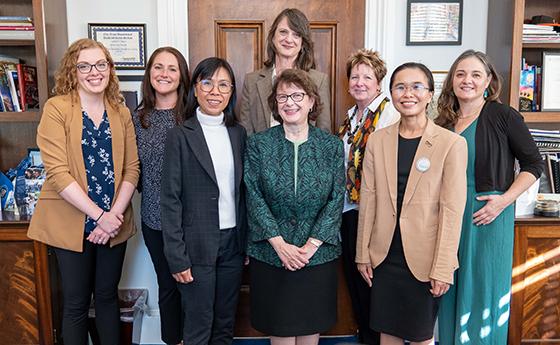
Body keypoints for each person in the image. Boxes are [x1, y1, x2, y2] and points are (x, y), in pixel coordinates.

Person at [27, 38, 139, 345]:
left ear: (109, 69)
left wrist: (112, 217)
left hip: (113, 222)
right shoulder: (57, 108)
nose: (94, 72)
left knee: (106, 298)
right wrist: (99, 216)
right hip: (72, 221)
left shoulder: (121, 112)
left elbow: (132, 168)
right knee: (76, 303)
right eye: (85, 65)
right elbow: (58, 173)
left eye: (101, 64)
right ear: (72, 71)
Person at [436, 50, 544, 345]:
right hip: (449, 217)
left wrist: (503, 201)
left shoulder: (503, 116)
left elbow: (533, 165)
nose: (466, 80)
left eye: (475, 75)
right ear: (451, 81)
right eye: (460, 74)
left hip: (488, 215)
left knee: (484, 292)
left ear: (488, 82)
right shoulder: (442, 122)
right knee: (448, 290)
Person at [355, 62, 468, 345]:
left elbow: (452, 210)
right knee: (387, 333)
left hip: (424, 259)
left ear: (430, 94)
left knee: (420, 336)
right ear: (391, 93)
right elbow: (368, 199)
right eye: (400, 87)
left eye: (417, 86)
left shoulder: (451, 144)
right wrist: (362, 253)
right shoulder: (378, 140)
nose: (408, 93)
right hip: (384, 257)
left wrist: (443, 267)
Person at [244, 69, 344, 345]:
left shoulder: (331, 146)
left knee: (310, 330)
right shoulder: (258, 145)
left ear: (311, 101)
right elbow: (253, 196)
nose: (290, 102)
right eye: (283, 97)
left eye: (297, 95)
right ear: (275, 104)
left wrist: (310, 246)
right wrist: (280, 245)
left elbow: (336, 199)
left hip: (317, 257)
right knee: (283, 332)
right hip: (272, 256)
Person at [160, 57, 247, 345]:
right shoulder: (179, 136)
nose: (215, 92)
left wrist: (245, 241)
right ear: (195, 89)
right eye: (207, 83)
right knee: (198, 326)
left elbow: (243, 193)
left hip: (232, 243)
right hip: (195, 247)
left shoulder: (238, 134)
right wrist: (176, 257)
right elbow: (170, 200)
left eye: (224, 85)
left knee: (224, 325)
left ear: (231, 92)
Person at [337, 48, 399, 345]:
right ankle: (366, 338)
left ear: (378, 82)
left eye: (367, 77)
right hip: (349, 212)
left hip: (375, 216)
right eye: (354, 76)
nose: (360, 82)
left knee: (373, 286)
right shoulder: (350, 118)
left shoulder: (389, 115)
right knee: (356, 286)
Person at [132, 46, 190, 345]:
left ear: (182, 77)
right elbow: (133, 171)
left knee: (193, 287)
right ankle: (173, 341)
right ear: (149, 73)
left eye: (172, 68)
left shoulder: (193, 117)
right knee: (167, 285)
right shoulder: (138, 119)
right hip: (155, 219)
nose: (164, 74)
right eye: (158, 67)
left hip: (191, 222)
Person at [239, 8, 331, 134]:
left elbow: (324, 135)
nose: (288, 39)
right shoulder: (251, 81)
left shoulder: (319, 81)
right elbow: (245, 135)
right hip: (261, 153)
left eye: (296, 35)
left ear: (302, 42)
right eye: (283, 32)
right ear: (272, 37)